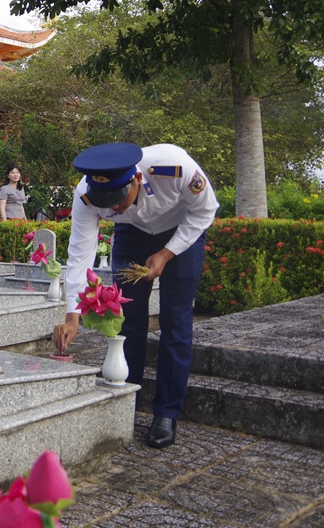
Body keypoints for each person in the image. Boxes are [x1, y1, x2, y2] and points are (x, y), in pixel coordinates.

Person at [53, 142, 218, 450]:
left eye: (119, 201)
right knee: (126, 320)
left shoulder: (174, 168)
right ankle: (127, 398)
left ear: (137, 180)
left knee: (175, 320)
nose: (114, 208)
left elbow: (205, 210)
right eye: (108, 204)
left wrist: (168, 253)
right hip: (130, 237)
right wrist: (72, 316)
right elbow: (80, 256)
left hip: (182, 232)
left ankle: (166, 413)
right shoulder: (87, 195)